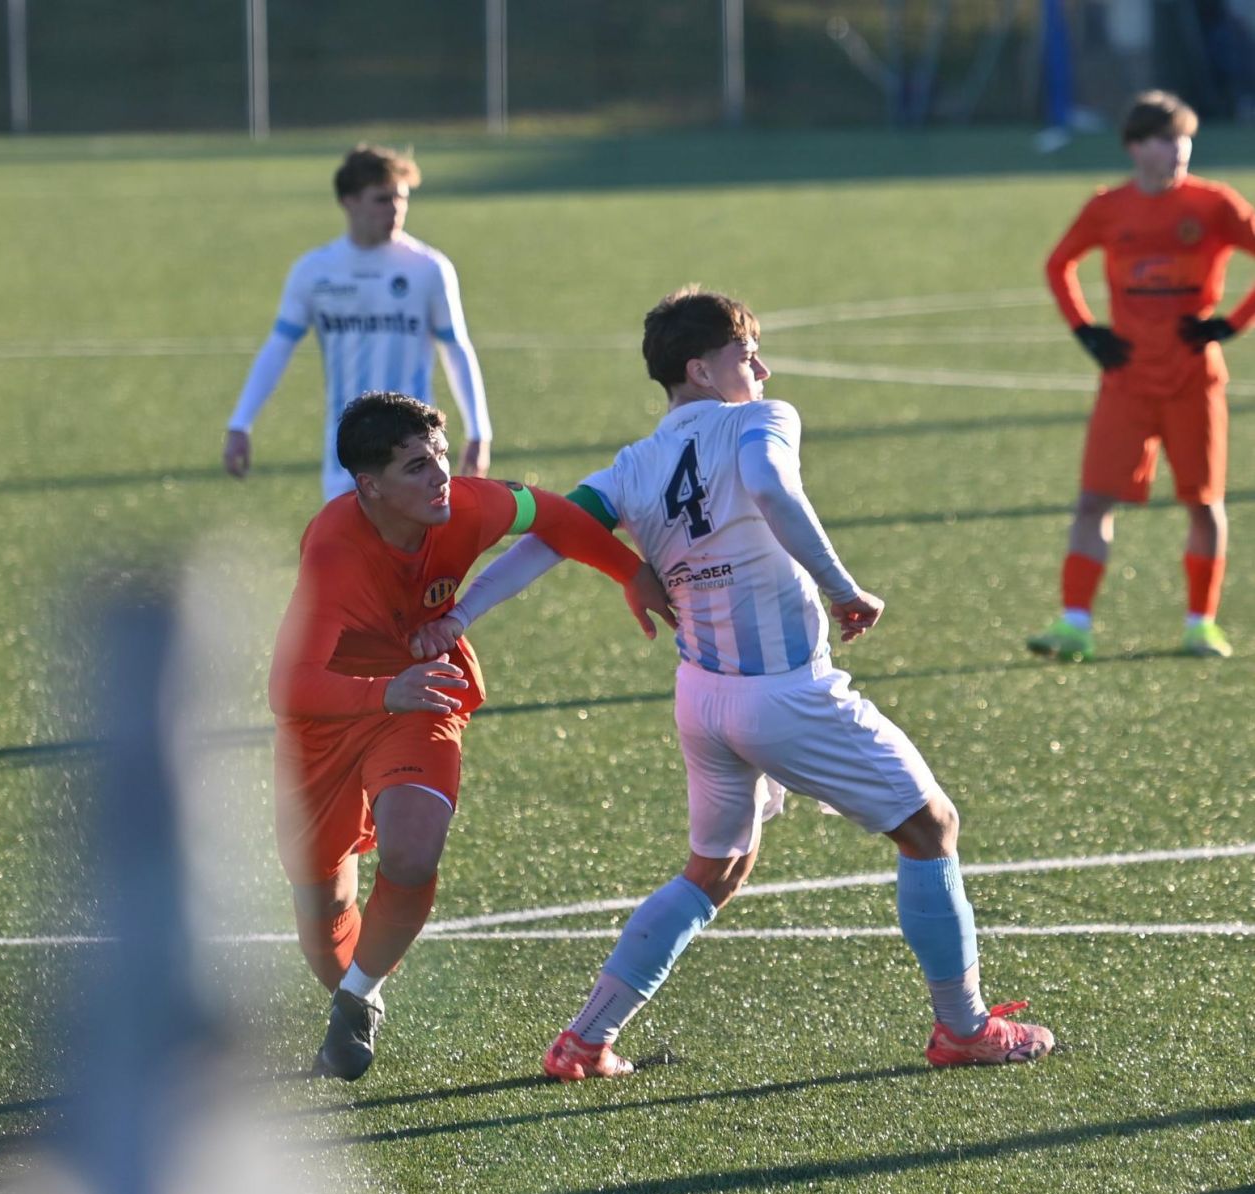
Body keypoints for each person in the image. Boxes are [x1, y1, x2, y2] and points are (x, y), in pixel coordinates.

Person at [410, 288, 1055, 1076]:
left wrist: (458, 617)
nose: (763, 369)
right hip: (783, 695)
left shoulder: (629, 468)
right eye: (747, 355)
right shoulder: (760, 420)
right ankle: (963, 1029)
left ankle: (586, 1040)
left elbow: (546, 540)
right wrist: (843, 588)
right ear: (700, 369)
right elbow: (772, 486)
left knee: (715, 870)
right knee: (931, 828)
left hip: (703, 698)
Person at [269, 390, 672, 1081]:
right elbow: (288, 687)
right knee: (324, 903)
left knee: (412, 852)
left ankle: (359, 997)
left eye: (441, 456)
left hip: (424, 690)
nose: (441, 477)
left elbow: (554, 515)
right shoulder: (334, 550)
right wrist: (380, 691)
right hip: (329, 715)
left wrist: (630, 572)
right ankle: (352, 993)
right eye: (417, 467)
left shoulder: (469, 506)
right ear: (369, 486)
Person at [1029, 90, 1255, 662]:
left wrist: (1230, 324)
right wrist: (1087, 331)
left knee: (1204, 504)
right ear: (1134, 146)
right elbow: (1057, 264)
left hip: (1193, 380)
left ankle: (1201, 625)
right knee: (1092, 502)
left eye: (1184, 138)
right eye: (1164, 138)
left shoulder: (1214, 204)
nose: (1177, 149)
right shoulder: (1109, 208)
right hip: (1126, 380)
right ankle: (1075, 624)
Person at [223, 144, 493, 501]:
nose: (395, 208)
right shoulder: (314, 271)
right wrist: (240, 423)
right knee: (346, 538)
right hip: (346, 456)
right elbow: (278, 348)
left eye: (401, 197)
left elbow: (456, 347)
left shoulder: (429, 268)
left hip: (415, 455)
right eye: (382, 199)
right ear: (348, 201)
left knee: (418, 537)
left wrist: (479, 430)